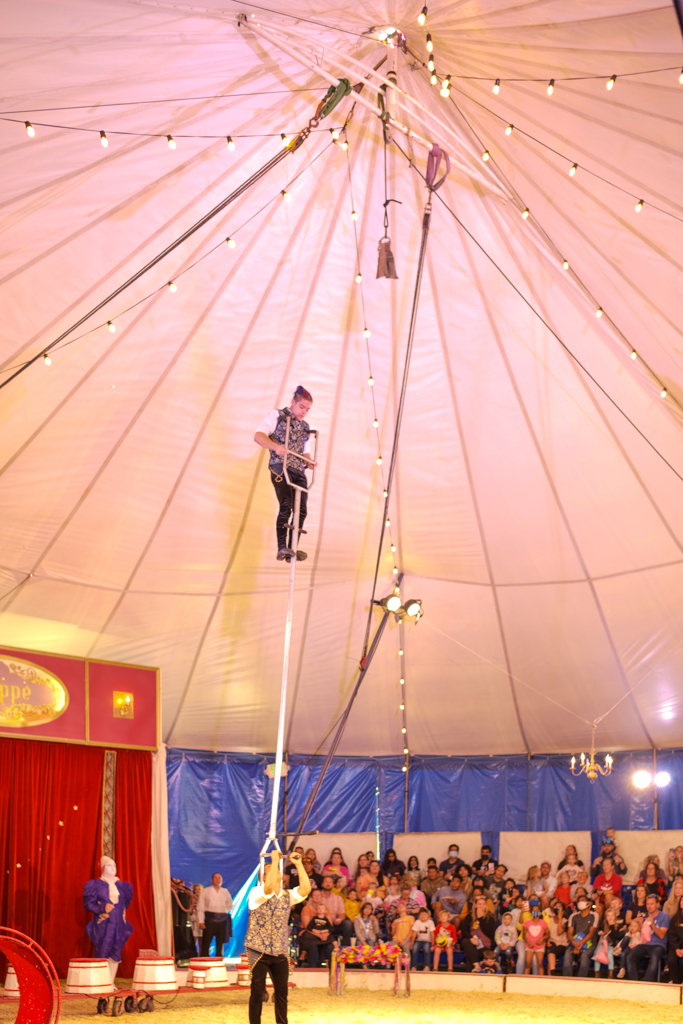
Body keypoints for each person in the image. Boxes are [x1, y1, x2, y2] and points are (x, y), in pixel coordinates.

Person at [246, 850, 310, 1024]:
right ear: (264, 877)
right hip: (258, 950)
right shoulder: (256, 893)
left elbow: (305, 889)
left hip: (279, 951)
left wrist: (299, 864)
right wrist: (274, 861)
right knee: (257, 991)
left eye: (277, 871)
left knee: (282, 992)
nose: (276, 873)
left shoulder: (287, 896)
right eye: (271, 872)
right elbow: (267, 890)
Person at [254, 385, 316, 562]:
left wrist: (309, 461)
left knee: (301, 510)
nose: (304, 412)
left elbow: (305, 450)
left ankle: (292, 549)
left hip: (298, 471)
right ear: (293, 402)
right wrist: (276, 447)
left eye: (307, 409)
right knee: (287, 504)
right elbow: (258, 436)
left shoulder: (305, 427)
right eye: (302, 407)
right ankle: (282, 547)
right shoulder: (276, 416)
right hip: (280, 468)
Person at [83, 857, 134, 981]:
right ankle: (102, 982)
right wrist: (102, 907)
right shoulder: (96, 885)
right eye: (109, 865)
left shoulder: (122, 886)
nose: (112, 868)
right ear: (102, 868)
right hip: (103, 925)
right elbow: (89, 904)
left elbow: (126, 904)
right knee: (103, 951)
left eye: (114, 865)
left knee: (116, 952)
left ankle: (110, 982)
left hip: (119, 924)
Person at [626, 894, 668, 981]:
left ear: (657, 904)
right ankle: (633, 982)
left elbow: (661, 935)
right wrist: (641, 923)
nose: (649, 906)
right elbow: (643, 936)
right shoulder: (645, 916)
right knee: (630, 956)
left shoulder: (664, 916)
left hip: (658, 945)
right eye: (647, 904)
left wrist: (652, 924)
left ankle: (647, 981)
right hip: (645, 944)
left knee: (654, 957)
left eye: (651, 904)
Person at [197, 872, 233, 957]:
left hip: (222, 919)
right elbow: (200, 907)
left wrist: (221, 909)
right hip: (209, 918)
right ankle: (204, 958)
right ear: (212, 880)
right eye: (215, 878)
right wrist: (201, 921)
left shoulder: (225, 891)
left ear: (221, 880)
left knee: (220, 942)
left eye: (219, 878)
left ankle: (219, 958)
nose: (217, 880)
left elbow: (230, 906)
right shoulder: (206, 891)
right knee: (206, 941)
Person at [298, 890, 335, 968]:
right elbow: (307, 926)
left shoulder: (325, 909)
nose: (317, 897)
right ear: (311, 897)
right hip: (310, 933)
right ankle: (312, 968)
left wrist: (325, 935)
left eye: (319, 895)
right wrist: (319, 935)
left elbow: (330, 926)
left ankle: (331, 969)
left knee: (330, 946)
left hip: (324, 934)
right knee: (312, 947)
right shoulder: (306, 909)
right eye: (315, 895)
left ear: (321, 897)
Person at [460, 895, 497, 972]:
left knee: (469, 955)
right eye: (479, 904)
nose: (481, 906)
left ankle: (472, 972)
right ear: (475, 905)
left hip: (485, 946)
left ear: (486, 906)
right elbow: (464, 931)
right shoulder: (470, 915)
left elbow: (490, 933)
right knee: (465, 942)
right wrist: (471, 938)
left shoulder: (491, 917)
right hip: (473, 944)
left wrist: (481, 918)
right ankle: (477, 966)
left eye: (483, 904)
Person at [563, 896, 598, 977]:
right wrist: (574, 943)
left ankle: (581, 980)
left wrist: (580, 944)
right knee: (567, 956)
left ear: (588, 903)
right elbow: (569, 933)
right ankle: (566, 979)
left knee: (584, 956)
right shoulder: (573, 916)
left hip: (589, 943)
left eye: (583, 900)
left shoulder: (594, 915)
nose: (580, 902)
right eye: (579, 901)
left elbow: (591, 933)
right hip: (574, 943)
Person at [319, 875, 354, 945]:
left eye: (330, 882)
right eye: (326, 882)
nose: (328, 884)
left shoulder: (338, 898)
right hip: (320, 924)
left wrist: (339, 919)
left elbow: (342, 914)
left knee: (348, 924)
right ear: (322, 884)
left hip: (334, 924)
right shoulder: (317, 896)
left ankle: (345, 948)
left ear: (333, 885)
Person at [593, 906, 624, 978]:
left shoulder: (617, 926)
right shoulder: (603, 925)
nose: (610, 917)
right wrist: (599, 932)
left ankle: (611, 974)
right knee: (597, 955)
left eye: (612, 915)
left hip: (611, 945)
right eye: (608, 916)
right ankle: (596, 974)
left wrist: (611, 926)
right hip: (602, 945)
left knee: (609, 954)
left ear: (615, 917)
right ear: (605, 917)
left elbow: (615, 936)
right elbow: (598, 931)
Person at [522, 899, 548, 975]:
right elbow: (523, 935)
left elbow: (547, 934)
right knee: (528, 964)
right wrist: (527, 941)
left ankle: (540, 980)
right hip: (529, 946)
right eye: (533, 910)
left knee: (540, 964)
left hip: (540, 946)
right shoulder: (527, 923)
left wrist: (542, 938)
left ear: (540, 912)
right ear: (531, 912)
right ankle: (524, 979)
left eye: (537, 910)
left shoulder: (543, 923)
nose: (535, 912)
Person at [546, 899, 568, 974]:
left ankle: (551, 975)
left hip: (562, 944)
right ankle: (552, 973)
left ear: (563, 910)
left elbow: (559, 932)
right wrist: (547, 941)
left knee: (551, 955)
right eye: (556, 907)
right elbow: (546, 933)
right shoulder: (549, 920)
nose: (557, 908)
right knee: (551, 948)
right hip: (551, 942)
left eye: (559, 907)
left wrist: (560, 917)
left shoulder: (565, 921)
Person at [667, 895, 683, 983]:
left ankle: (679, 981)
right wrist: (677, 948)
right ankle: (677, 982)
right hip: (676, 946)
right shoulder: (675, 918)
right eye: (682, 900)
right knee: (671, 961)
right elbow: (671, 935)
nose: (682, 903)